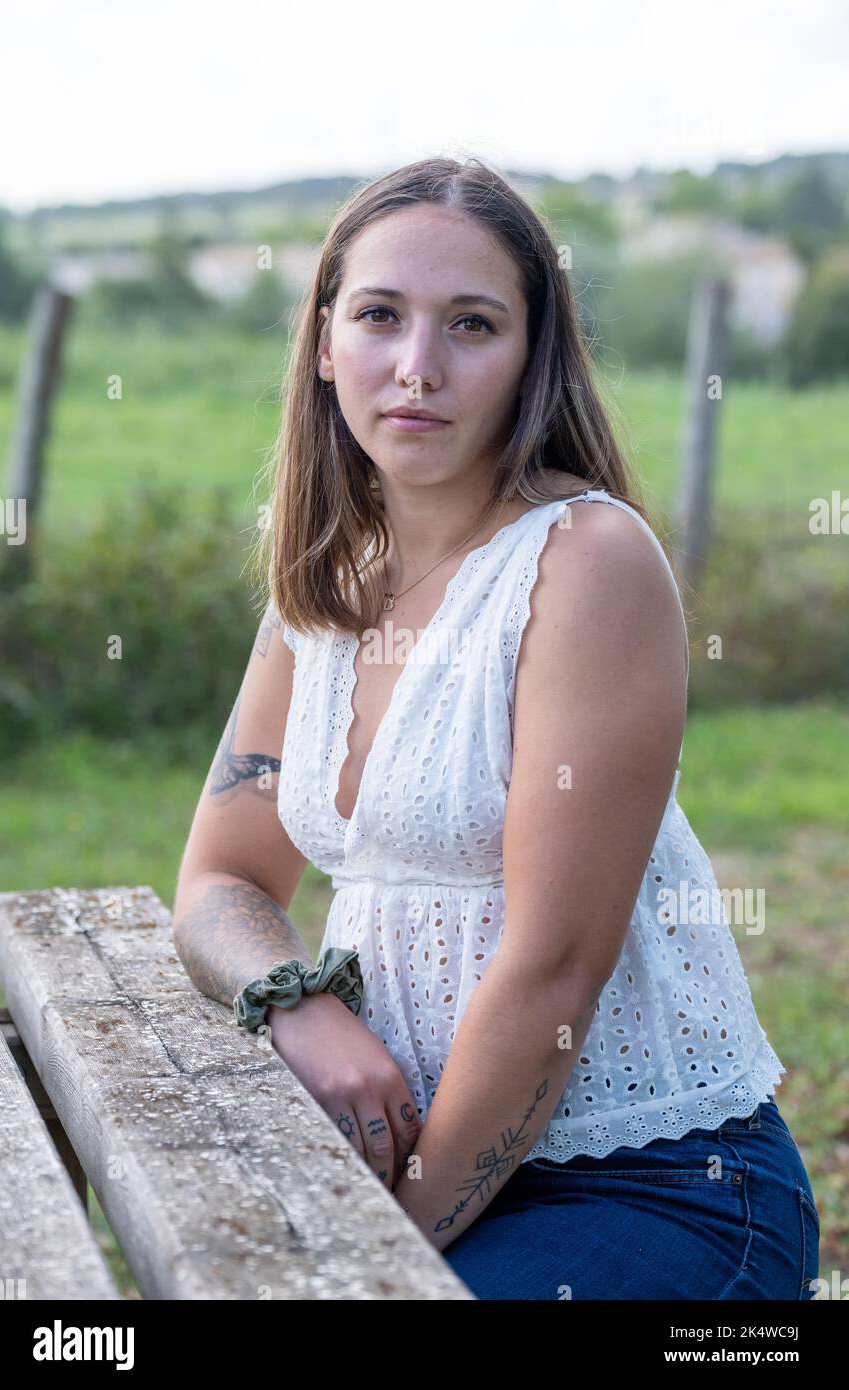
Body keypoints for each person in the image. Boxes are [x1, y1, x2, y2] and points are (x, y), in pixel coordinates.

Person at [172, 155, 820, 1300]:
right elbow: (221, 876)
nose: (416, 368)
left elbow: (552, 969)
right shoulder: (325, 587)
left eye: (471, 324)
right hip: (429, 1167)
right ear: (324, 344)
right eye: (379, 315)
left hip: (652, 1188)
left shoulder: (586, 562)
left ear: (530, 358)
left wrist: (380, 1256)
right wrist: (298, 999)